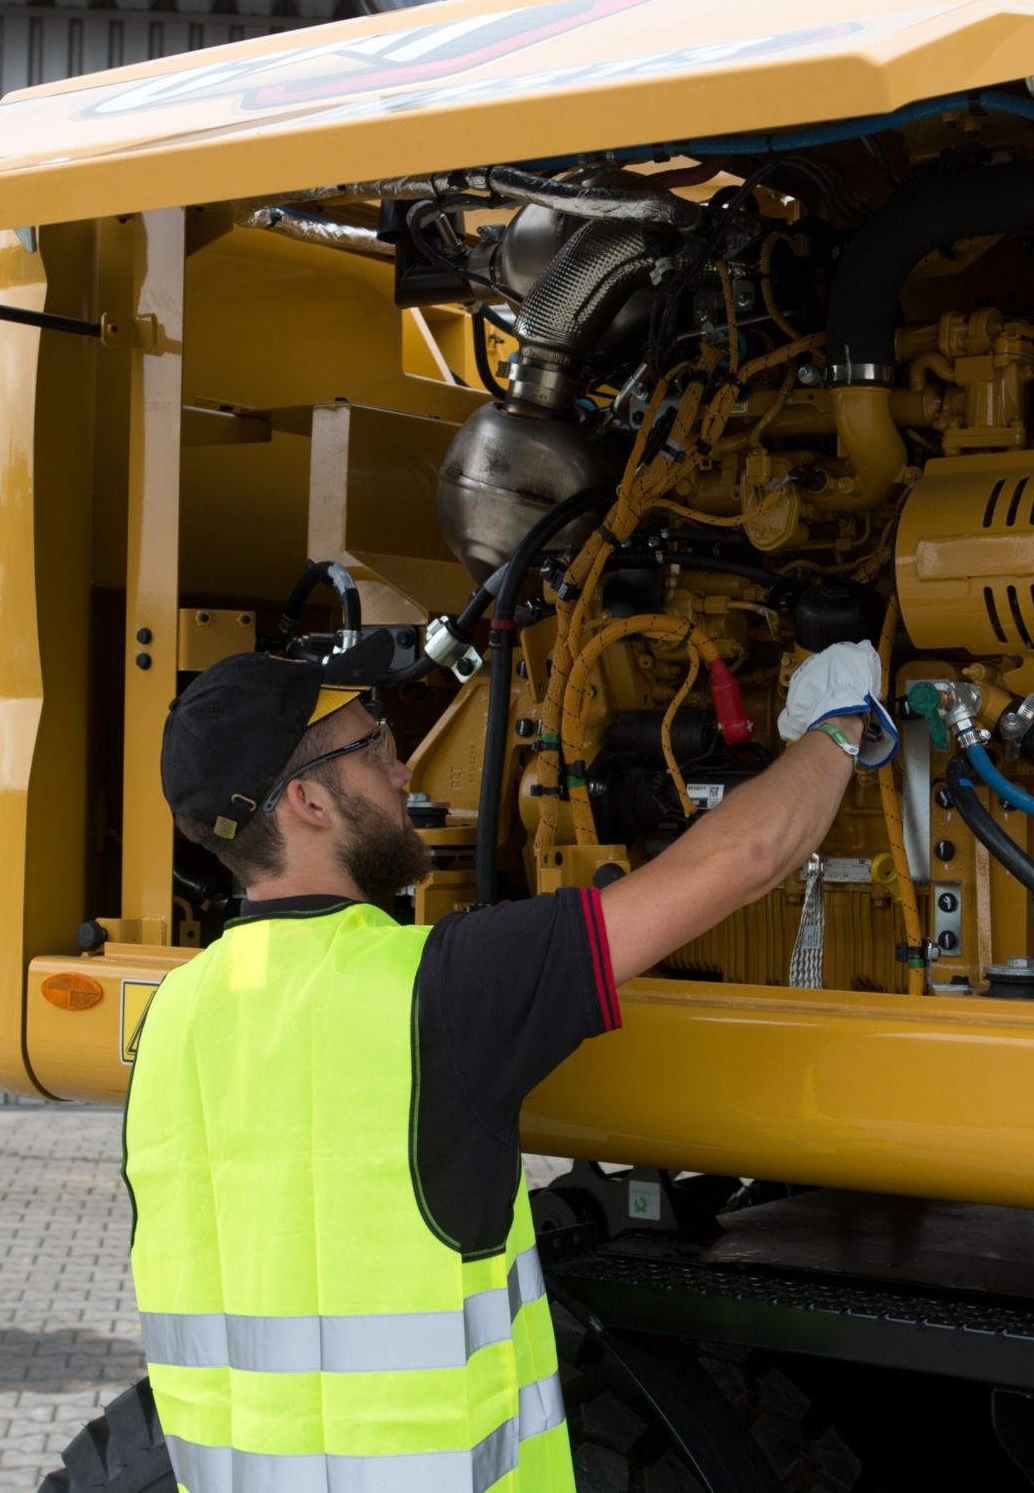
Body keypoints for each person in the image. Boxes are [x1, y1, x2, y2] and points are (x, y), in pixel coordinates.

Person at [123, 633, 897, 1493]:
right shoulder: (435, 990)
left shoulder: (170, 1022)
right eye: (372, 744)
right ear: (306, 800)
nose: (404, 769)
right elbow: (744, 858)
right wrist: (835, 729)